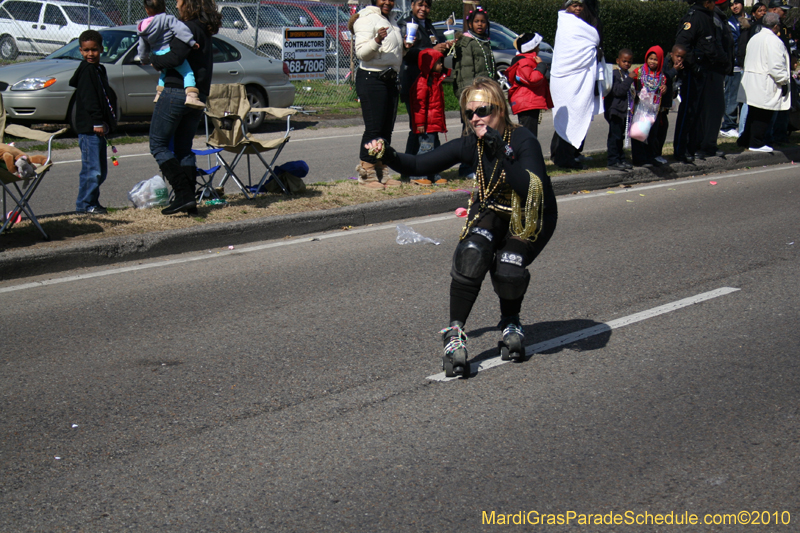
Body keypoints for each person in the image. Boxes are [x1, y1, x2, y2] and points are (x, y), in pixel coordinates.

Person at [364, 78, 557, 378]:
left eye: (484, 110)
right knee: (472, 252)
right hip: (493, 207)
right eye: (470, 113)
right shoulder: (473, 143)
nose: (476, 118)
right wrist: (387, 155)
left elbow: (533, 189)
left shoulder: (522, 140)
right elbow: (418, 164)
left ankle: (510, 321)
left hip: (530, 214)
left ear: (501, 110)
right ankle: (454, 333)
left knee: (509, 265)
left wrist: (501, 151)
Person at [148, 0, 222, 216]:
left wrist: (154, 60)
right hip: (198, 95)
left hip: (176, 92)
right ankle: (190, 201)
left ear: (189, 4)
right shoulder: (204, 30)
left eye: (180, 0)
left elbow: (175, 57)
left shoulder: (187, 28)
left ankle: (183, 194)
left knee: (158, 144)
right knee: (183, 147)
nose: (177, 4)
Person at [352, 0, 406, 189]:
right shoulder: (365, 18)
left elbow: (392, 53)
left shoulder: (391, 20)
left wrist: (404, 47)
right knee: (374, 128)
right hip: (371, 78)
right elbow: (362, 53)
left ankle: (381, 171)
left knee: (386, 129)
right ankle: (366, 174)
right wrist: (376, 40)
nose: (388, 2)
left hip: (391, 78)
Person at [397, 0, 451, 180]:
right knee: (422, 128)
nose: (423, 9)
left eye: (427, 6)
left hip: (430, 83)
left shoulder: (428, 26)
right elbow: (407, 52)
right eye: (420, 4)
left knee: (421, 129)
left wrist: (444, 48)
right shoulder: (406, 25)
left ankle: (408, 169)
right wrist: (431, 49)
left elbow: (433, 52)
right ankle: (422, 171)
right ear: (412, 5)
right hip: (415, 83)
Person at [673, 0, 733, 163]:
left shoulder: (708, 16)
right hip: (694, 72)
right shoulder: (694, 17)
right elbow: (682, 45)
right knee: (689, 112)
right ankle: (681, 149)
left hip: (707, 70)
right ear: (706, 2)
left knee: (701, 113)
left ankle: (694, 147)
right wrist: (694, 65)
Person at [550, 0, 602, 170]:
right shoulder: (566, 24)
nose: (578, 8)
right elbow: (568, 51)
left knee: (576, 115)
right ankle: (563, 158)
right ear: (567, 7)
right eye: (574, 5)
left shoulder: (584, 23)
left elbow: (590, 43)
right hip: (566, 78)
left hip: (580, 77)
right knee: (567, 117)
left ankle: (571, 154)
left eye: (580, 5)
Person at [69, 30, 117, 215]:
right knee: (92, 170)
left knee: (100, 171)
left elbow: (105, 97)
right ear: (80, 51)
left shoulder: (99, 69)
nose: (90, 54)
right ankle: (84, 205)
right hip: (90, 128)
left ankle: (93, 202)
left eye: (94, 50)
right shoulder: (87, 71)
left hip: (99, 128)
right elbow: (90, 100)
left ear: (101, 49)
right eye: (86, 50)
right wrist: (97, 122)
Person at [452, 6, 495, 178]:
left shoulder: (484, 41)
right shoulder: (467, 42)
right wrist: (468, 97)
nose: (480, 25)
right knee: (470, 130)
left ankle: (483, 165)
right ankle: (467, 167)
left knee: (485, 130)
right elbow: (465, 71)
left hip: (485, 94)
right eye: (476, 21)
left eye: (483, 22)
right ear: (469, 23)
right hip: (472, 96)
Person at [737, 12, 790, 152]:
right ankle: (756, 142)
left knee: (753, 113)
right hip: (765, 81)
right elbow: (776, 65)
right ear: (776, 26)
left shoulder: (756, 37)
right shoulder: (773, 41)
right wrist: (783, 81)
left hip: (752, 79)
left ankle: (745, 139)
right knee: (763, 114)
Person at [138, 0, 204, 109]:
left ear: (147, 10)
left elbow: (142, 47)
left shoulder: (143, 27)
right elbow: (181, 31)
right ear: (164, 7)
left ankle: (159, 94)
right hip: (168, 51)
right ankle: (192, 95)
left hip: (156, 53)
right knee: (187, 72)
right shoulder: (168, 19)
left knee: (164, 73)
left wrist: (144, 59)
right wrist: (191, 42)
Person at [408, 49, 450, 186]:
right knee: (426, 149)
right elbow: (418, 105)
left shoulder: (435, 81)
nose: (441, 65)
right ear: (429, 64)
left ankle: (434, 173)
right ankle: (419, 174)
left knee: (436, 150)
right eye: (438, 63)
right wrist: (419, 123)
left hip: (434, 123)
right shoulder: (423, 82)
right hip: (426, 124)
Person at [506, 32, 552, 138]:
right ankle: (527, 154)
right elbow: (532, 79)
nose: (539, 48)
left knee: (529, 134)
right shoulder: (524, 62)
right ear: (532, 47)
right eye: (537, 46)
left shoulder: (528, 60)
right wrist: (541, 66)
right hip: (527, 104)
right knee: (528, 135)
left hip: (528, 102)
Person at [630, 46, 667, 167]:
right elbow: (631, 78)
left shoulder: (661, 76)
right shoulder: (640, 71)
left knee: (651, 135)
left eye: (656, 59)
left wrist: (664, 88)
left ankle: (649, 157)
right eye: (650, 58)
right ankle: (639, 159)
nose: (652, 61)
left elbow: (663, 88)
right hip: (641, 109)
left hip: (653, 110)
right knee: (639, 133)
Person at [736, 2, 768, 136]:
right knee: (748, 102)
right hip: (749, 68)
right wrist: (744, 64)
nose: (763, 13)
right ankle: (742, 131)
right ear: (754, 13)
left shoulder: (763, 28)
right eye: (760, 11)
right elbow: (743, 48)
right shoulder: (752, 28)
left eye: (764, 11)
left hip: (758, 69)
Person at [653, 45, 687, 163]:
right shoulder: (665, 63)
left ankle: (658, 153)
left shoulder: (679, 66)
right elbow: (664, 78)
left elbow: (675, 82)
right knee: (657, 129)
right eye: (678, 56)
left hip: (665, 104)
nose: (680, 60)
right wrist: (674, 70)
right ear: (671, 54)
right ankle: (654, 154)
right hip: (656, 104)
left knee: (663, 127)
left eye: (682, 57)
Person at [604, 49, 635, 171]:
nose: (627, 64)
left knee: (621, 136)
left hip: (624, 111)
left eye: (629, 61)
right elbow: (618, 91)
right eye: (624, 61)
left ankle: (621, 158)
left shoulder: (626, 74)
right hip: (615, 110)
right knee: (614, 137)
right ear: (618, 61)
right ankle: (612, 160)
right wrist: (629, 79)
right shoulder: (615, 75)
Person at [720, 0, 746, 137]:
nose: (734, 7)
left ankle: (741, 123)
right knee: (732, 96)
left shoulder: (748, 19)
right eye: (731, 5)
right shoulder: (730, 23)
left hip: (747, 66)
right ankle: (728, 125)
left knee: (744, 98)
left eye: (736, 3)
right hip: (735, 65)